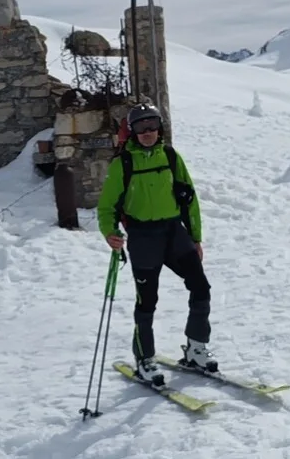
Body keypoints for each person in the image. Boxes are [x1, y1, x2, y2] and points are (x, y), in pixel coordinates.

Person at [96, 103, 217, 387]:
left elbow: (190, 198)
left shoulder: (171, 157)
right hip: (143, 237)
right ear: (132, 131)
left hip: (175, 233)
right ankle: (145, 359)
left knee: (201, 288)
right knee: (147, 301)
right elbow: (106, 207)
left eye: (152, 126)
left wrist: (195, 237)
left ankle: (196, 348)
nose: (148, 132)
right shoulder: (123, 164)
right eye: (141, 127)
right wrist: (109, 232)